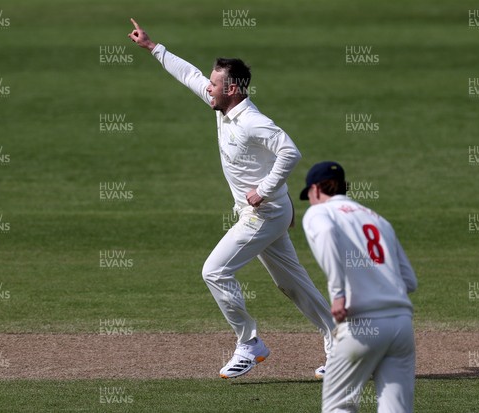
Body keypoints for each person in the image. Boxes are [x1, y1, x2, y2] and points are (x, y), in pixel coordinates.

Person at [128, 18, 334, 379]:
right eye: (211, 82)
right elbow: (189, 75)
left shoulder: (252, 121)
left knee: (215, 271)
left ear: (234, 88)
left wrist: (263, 190)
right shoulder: (221, 107)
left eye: (216, 84)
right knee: (292, 283)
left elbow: (290, 152)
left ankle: (249, 343)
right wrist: (152, 47)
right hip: (266, 211)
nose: (209, 88)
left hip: (264, 213)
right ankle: (341, 342)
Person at [300, 161, 417, 412]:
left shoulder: (319, 213)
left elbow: (327, 234)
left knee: (339, 405)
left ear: (316, 190)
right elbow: (410, 281)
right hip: (401, 325)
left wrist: (338, 295)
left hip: (362, 324)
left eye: (308, 195)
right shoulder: (378, 220)